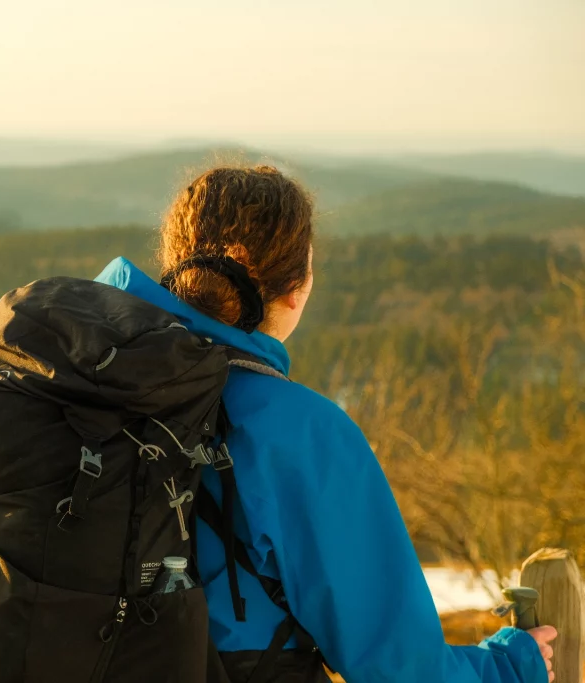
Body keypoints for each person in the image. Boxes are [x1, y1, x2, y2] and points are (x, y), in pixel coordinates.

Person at [93, 166, 558, 683]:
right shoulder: (297, 431)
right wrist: (511, 667)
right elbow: (398, 667)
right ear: (295, 289)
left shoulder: (76, 381)